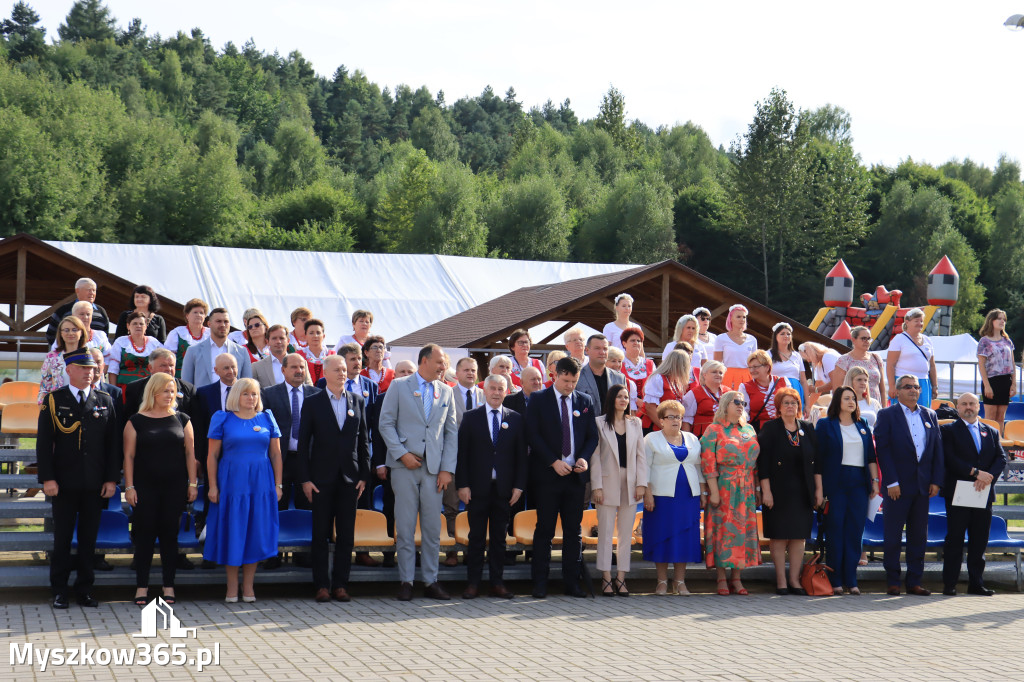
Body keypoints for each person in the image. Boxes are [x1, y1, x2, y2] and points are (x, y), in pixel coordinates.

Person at [36, 348, 120, 608]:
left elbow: (113, 445)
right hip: (63, 484)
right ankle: (59, 591)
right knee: (62, 540)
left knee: (88, 540)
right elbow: (43, 444)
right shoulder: (53, 400)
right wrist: (48, 479)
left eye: (92, 368)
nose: (89, 372)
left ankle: (84, 589)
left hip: (95, 484)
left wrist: (111, 480)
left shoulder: (105, 400)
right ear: (69, 370)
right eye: (83, 368)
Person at [377, 344, 458, 601]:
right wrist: (401, 453)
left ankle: (431, 580)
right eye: (439, 362)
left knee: (433, 529)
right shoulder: (399, 386)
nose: (443, 367)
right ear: (424, 361)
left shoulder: (445, 391)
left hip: (434, 471)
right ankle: (406, 581)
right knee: (406, 525)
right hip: (404, 467)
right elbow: (385, 423)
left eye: (444, 363)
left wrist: (447, 469)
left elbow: (451, 433)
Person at [296, 355, 370, 603]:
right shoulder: (313, 403)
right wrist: (305, 479)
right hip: (320, 479)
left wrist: (364, 475)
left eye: (344, 369)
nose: (342, 372)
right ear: (324, 373)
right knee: (320, 534)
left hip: (350, 479)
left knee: (346, 535)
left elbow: (364, 441)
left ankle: (340, 584)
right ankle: (321, 585)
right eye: (336, 369)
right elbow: (304, 443)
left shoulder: (357, 400)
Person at [203, 379, 283, 603]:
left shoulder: (267, 417)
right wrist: (212, 486)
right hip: (231, 484)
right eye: (246, 394)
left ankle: (248, 587)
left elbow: (276, 455)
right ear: (236, 396)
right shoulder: (222, 418)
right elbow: (212, 456)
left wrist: (278, 484)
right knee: (233, 532)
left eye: (255, 394)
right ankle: (231, 588)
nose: (251, 398)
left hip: (261, 483)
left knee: (254, 533)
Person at [123, 373, 198, 606]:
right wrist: (129, 487)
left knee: (169, 537)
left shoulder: (183, 419)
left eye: (172, 390)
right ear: (153, 392)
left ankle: (169, 586)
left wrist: (192, 484)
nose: (170, 394)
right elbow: (129, 456)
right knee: (144, 538)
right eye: (165, 390)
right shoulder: (135, 420)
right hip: (145, 488)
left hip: (174, 488)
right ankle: (141, 588)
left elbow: (190, 454)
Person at [526, 356, 598, 598]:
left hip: (575, 478)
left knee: (573, 531)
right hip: (548, 476)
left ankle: (572, 583)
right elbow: (532, 435)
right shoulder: (538, 399)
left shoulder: (585, 401)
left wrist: (584, 458)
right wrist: (553, 461)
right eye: (566, 380)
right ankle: (539, 583)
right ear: (555, 375)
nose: (569, 385)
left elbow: (592, 437)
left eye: (574, 381)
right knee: (544, 530)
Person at [456, 375, 527, 599]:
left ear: (506, 392)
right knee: (476, 537)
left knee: (499, 538)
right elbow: (462, 454)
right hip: (477, 489)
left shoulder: (515, 419)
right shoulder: (471, 418)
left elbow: (521, 458)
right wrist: (462, 485)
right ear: (484, 391)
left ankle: (497, 583)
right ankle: (473, 584)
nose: (496, 393)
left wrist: (518, 486)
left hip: (504, 490)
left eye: (500, 389)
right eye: (492, 388)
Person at [874, 375, 943, 595]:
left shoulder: (930, 414)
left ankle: (914, 582)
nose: (913, 390)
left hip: (923, 487)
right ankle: (893, 581)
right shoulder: (886, 415)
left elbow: (936, 450)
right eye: (908, 387)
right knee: (893, 536)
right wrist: (891, 481)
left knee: (918, 537)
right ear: (897, 391)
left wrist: (935, 480)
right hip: (897, 487)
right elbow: (883, 451)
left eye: (916, 387)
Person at [941, 392, 1006, 596]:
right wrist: (975, 473)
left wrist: (986, 478)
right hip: (959, 492)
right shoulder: (948, 430)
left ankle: (976, 583)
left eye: (972, 404)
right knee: (955, 540)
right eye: (964, 404)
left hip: (983, 493)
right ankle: (950, 584)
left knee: (979, 540)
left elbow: (1001, 458)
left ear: (979, 407)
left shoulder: (991, 431)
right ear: (957, 407)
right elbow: (949, 458)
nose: (968, 407)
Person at [814, 386, 877, 595]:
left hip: (859, 483)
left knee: (855, 531)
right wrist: (820, 489)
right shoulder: (825, 425)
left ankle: (851, 579)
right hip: (835, 483)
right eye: (846, 398)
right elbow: (819, 460)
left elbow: (870, 457)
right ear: (838, 402)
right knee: (835, 531)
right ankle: (835, 579)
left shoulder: (862, 424)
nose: (851, 402)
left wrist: (875, 481)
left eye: (853, 399)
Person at [759, 388, 821, 595]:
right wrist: (766, 492)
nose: (790, 406)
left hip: (803, 491)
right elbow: (764, 463)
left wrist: (818, 491)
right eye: (786, 403)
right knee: (778, 536)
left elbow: (817, 463)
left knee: (798, 537)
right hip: (777, 491)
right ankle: (781, 581)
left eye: (794, 403)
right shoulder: (770, 428)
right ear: (778, 407)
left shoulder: (807, 428)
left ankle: (794, 580)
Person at [700, 390, 761, 596]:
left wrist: (758, 488)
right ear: (725, 404)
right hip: (724, 486)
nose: (740, 405)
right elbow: (707, 462)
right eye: (736, 402)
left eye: (743, 402)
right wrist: (713, 491)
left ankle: (737, 578)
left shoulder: (749, 429)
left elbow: (755, 465)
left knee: (742, 532)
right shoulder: (714, 429)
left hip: (747, 487)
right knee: (723, 532)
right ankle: (721, 578)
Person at [643, 399, 704, 595]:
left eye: (678, 417)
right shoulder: (651, 439)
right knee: (662, 537)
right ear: (661, 420)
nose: (676, 420)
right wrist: (647, 494)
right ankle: (661, 582)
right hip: (661, 497)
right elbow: (644, 468)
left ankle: (679, 582)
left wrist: (703, 493)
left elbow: (698, 467)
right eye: (671, 417)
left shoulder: (692, 438)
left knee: (684, 538)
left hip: (688, 497)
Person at [592, 384, 647, 596]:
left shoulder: (636, 423)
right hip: (606, 483)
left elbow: (641, 456)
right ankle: (606, 578)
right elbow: (595, 456)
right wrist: (596, 485)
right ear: (611, 399)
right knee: (605, 533)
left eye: (626, 397)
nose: (623, 400)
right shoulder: (599, 423)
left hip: (631, 482)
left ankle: (621, 578)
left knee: (626, 534)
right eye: (619, 396)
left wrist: (641, 483)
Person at [261, 354, 321, 518]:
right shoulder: (268, 394)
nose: (299, 371)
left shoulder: (316, 394)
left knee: (308, 508)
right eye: (294, 367)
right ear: (283, 369)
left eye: (302, 367)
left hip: (308, 461)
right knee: (276, 508)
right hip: (280, 460)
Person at [446, 357, 486, 565]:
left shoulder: (485, 394)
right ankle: (452, 549)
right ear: (457, 373)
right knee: (451, 506)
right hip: (453, 459)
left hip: (478, 462)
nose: (471, 373)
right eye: (466, 370)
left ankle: (473, 550)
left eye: (474, 370)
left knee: (475, 507)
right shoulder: (447, 394)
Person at [181, 308, 253, 388]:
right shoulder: (193, 351)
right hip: (202, 399)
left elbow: (247, 384)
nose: (223, 325)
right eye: (218, 321)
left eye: (226, 321)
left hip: (232, 399)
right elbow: (186, 385)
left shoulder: (242, 352)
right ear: (209, 324)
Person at [124, 349, 196, 424]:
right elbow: (128, 420)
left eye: (171, 365)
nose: (168, 369)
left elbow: (195, 423)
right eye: (163, 365)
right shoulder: (135, 388)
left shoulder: (188, 389)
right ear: (150, 368)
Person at [885, 308, 938, 406]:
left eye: (921, 321)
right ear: (907, 322)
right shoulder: (899, 339)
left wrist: (935, 386)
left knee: (923, 413)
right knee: (902, 413)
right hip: (903, 382)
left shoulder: (928, 340)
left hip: (923, 382)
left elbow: (932, 365)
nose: (920, 323)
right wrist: (892, 386)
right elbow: (890, 365)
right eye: (916, 321)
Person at [976, 309, 1016, 432]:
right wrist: (987, 386)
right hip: (991, 381)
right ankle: (988, 445)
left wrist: (1014, 384)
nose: (1002, 321)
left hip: (1006, 381)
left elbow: (1012, 364)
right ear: (991, 320)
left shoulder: (1007, 341)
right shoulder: (984, 341)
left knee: (1001, 418)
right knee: (990, 418)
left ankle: (999, 445)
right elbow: (981, 365)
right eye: (999, 318)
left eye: (1004, 319)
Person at [106, 312, 163, 394]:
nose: (138, 326)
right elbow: (113, 369)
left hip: (148, 389)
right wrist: (114, 391)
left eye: (141, 324)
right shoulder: (121, 342)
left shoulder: (154, 343)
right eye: (134, 323)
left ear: (146, 327)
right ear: (128, 326)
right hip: (125, 389)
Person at [44, 277, 111, 347]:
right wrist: (66, 348)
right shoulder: (63, 310)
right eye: (88, 290)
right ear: (77, 291)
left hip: (96, 355)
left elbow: (105, 334)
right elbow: (51, 335)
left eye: (94, 290)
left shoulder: (101, 311)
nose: (92, 293)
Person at [38, 316, 88, 403]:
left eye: (74, 330)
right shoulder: (51, 357)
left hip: (83, 404)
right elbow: (44, 386)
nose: (70, 333)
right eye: (66, 330)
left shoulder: (89, 355)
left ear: (81, 333)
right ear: (60, 333)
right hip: (58, 404)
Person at [832, 326, 886, 405]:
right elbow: (837, 389)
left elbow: (882, 389)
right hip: (853, 405)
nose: (867, 341)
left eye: (869, 339)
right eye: (863, 338)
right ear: (854, 340)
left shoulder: (876, 358)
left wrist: (884, 409)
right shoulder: (844, 360)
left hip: (875, 405)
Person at [576, 335, 625, 417]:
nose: (602, 352)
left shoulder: (619, 378)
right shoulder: (577, 377)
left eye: (605, 349)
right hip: (587, 427)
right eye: (597, 348)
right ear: (587, 350)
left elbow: (625, 408)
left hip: (613, 427)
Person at [644, 350, 692, 432]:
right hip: (653, 427)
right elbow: (650, 407)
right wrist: (664, 428)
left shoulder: (676, 381)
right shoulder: (657, 378)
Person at [739, 350, 786, 433]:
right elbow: (744, 412)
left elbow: (792, 403)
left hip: (783, 427)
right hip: (760, 431)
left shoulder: (783, 382)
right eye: (750, 367)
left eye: (755, 367)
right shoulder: (745, 387)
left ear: (767, 367)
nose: (752, 370)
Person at [713, 304, 757, 390]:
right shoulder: (721, 338)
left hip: (748, 376)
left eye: (744, 317)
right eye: (738, 317)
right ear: (731, 319)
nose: (742, 319)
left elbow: (755, 363)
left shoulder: (752, 339)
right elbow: (717, 363)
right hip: (727, 376)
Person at [162, 298, 209, 379]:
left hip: (205, 378)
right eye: (195, 312)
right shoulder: (177, 333)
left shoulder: (211, 334)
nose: (198, 315)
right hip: (182, 378)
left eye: (201, 313)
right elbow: (167, 357)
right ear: (187, 316)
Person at [682, 360, 727, 438]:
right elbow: (686, 420)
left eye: (720, 373)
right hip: (703, 437)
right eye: (714, 372)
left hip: (725, 435)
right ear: (704, 374)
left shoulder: (729, 392)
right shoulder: (693, 393)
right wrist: (688, 441)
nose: (718, 375)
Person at [768, 322, 807, 401]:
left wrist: (808, 404)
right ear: (776, 336)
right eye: (782, 334)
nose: (786, 336)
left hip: (796, 391)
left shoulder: (797, 355)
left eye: (788, 334)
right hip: (776, 391)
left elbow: (803, 381)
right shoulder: (768, 354)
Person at [621, 327, 655, 396]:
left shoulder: (650, 364)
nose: (636, 343)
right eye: (632, 340)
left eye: (639, 341)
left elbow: (655, 386)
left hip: (647, 405)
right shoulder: (619, 363)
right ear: (624, 343)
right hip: (626, 405)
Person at [300, 318, 334, 385]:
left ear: (323, 336)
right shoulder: (299, 356)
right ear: (305, 336)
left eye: (318, 333)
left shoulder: (333, 355)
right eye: (311, 333)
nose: (315, 336)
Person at [606, 347, 639, 413]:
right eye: (613, 361)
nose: (617, 364)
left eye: (619, 361)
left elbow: (631, 411)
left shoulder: (629, 383)